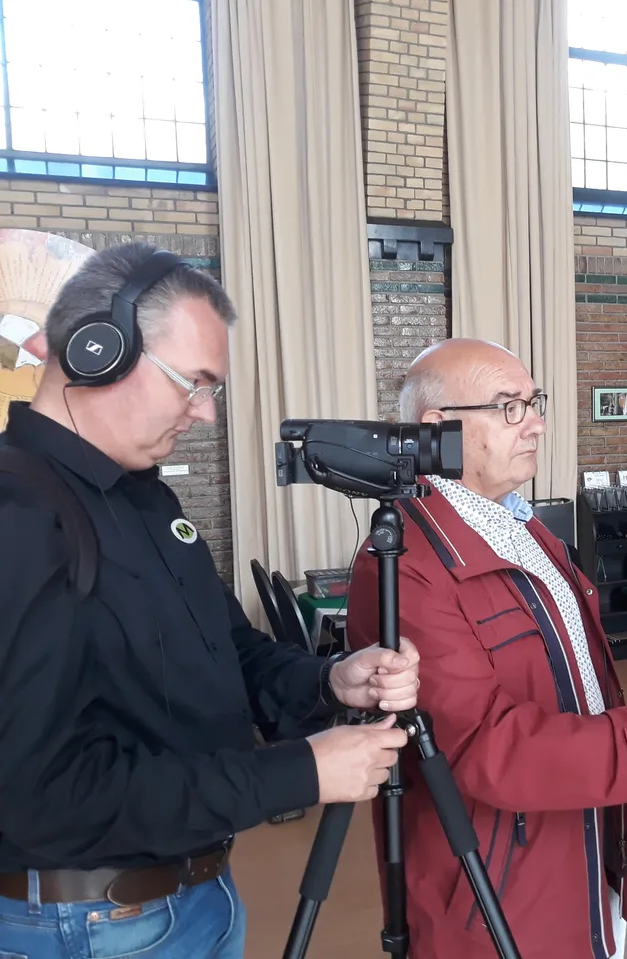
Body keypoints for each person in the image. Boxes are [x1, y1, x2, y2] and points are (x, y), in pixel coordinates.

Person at [0, 242, 421, 959]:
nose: (202, 413)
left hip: (194, 897)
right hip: (88, 928)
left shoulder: (146, 496)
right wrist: (299, 772)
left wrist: (329, 680)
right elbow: (41, 793)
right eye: (191, 383)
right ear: (97, 350)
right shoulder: (19, 515)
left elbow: (231, 650)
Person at [345, 338, 627, 959]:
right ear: (438, 428)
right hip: (495, 893)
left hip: (582, 846)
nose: (537, 422)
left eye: (533, 402)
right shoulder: (405, 566)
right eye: (509, 406)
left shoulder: (525, 528)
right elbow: (485, 750)